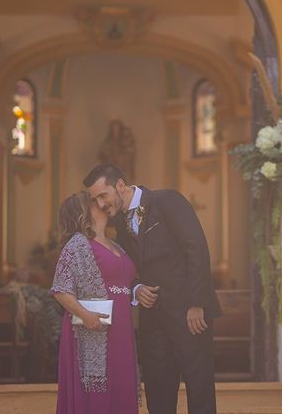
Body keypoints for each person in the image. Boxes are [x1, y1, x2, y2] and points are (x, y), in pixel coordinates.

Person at [83, 164, 222, 414]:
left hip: (189, 315)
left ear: (121, 186)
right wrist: (136, 289)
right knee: (158, 392)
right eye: (96, 199)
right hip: (153, 320)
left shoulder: (167, 200)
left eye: (103, 195)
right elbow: (128, 268)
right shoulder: (119, 225)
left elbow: (197, 249)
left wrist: (197, 303)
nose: (101, 204)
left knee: (199, 389)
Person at [51, 191, 139, 414]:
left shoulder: (116, 245)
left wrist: (141, 290)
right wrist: (86, 315)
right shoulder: (79, 244)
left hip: (122, 332)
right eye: (94, 201)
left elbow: (127, 281)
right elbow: (61, 289)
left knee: (122, 390)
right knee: (96, 400)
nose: (102, 203)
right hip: (93, 332)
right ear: (84, 211)